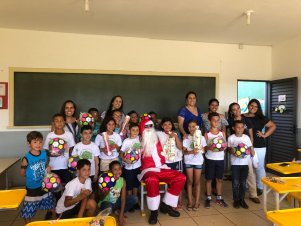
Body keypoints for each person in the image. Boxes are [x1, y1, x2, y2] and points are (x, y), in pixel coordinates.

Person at [137, 114, 186, 225]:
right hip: (148, 170)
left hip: (162, 168)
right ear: (142, 129)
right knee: (152, 181)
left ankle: (166, 205)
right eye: (146, 126)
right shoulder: (139, 140)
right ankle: (154, 212)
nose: (149, 128)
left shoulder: (157, 135)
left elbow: (167, 132)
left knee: (181, 177)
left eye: (151, 126)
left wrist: (175, 136)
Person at [227, 102, 260, 204]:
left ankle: (253, 194)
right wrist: (232, 150)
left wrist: (251, 148)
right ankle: (238, 197)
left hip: (246, 151)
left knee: (250, 173)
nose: (237, 111)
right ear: (231, 112)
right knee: (237, 177)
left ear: (240, 109)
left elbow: (251, 135)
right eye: (234, 109)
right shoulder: (230, 121)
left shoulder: (246, 120)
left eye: (238, 109)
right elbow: (229, 135)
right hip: (235, 153)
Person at [20, 131, 55, 224]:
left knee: (50, 205)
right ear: (29, 143)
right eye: (35, 142)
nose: (38, 144)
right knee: (28, 211)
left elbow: (46, 165)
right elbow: (22, 173)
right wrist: (31, 173)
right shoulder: (26, 158)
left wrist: (47, 168)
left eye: (40, 142)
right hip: (32, 188)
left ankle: (52, 222)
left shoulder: (44, 154)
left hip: (44, 185)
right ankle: (28, 224)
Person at [244, 99, 276, 195]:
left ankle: (260, 187)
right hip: (244, 145)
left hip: (259, 145)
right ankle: (246, 185)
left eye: (256, 106)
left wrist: (265, 135)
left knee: (258, 166)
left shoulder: (261, 117)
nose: (253, 108)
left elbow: (273, 126)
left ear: (258, 108)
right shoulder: (242, 116)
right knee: (246, 167)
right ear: (248, 105)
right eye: (251, 105)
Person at [99, 161, 138, 226]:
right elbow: (100, 198)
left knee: (134, 198)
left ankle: (118, 212)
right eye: (115, 169)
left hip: (116, 203)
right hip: (106, 203)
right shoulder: (104, 178)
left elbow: (123, 198)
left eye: (119, 169)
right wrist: (108, 189)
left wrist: (121, 214)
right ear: (110, 171)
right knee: (108, 207)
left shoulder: (122, 180)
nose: (118, 171)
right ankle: (114, 214)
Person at [156, 117, 183, 208]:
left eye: (169, 124)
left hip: (176, 161)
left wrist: (175, 137)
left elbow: (180, 147)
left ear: (172, 125)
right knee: (167, 182)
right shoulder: (159, 134)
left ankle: (178, 201)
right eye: (165, 124)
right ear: (162, 126)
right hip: (165, 162)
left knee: (178, 181)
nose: (167, 126)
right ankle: (167, 202)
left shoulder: (175, 134)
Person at [228, 120, 255, 209]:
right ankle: (236, 200)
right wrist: (232, 151)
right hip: (235, 164)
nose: (240, 129)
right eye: (238, 127)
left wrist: (251, 150)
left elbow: (250, 147)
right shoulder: (231, 138)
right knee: (235, 182)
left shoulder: (246, 137)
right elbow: (228, 149)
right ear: (233, 128)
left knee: (243, 182)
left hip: (245, 163)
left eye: (242, 127)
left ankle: (242, 200)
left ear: (244, 128)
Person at [43, 114, 75, 186]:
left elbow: (72, 149)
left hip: (65, 166)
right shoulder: (50, 135)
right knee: (55, 187)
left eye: (61, 121)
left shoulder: (69, 135)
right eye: (57, 121)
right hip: (53, 166)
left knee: (66, 186)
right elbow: (46, 151)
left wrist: (71, 164)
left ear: (64, 122)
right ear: (53, 123)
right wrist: (52, 154)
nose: (59, 123)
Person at [204, 112, 228, 208]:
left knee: (219, 179)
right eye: (214, 120)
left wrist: (222, 147)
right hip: (210, 159)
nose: (216, 122)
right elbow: (204, 147)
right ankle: (208, 198)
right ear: (209, 121)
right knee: (209, 179)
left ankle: (219, 197)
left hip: (220, 159)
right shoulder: (207, 134)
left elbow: (225, 145)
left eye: (218, 120)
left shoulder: (222, 133)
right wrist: (210, 147)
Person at [183, 120, 207, 211]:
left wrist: (199, 148)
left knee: (197, 182)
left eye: (193, 126)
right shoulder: (186, 138)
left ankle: (196, 202)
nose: (191, 128)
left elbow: (204, 150)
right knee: (189, 181)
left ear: (196, 127)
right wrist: (191, 151)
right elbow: (183, 151)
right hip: (188, 161)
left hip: (198, 162)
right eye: (189, 127)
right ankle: (190, 201)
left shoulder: (202, 138)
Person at [72, 125, 100, 193]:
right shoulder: (77, 146)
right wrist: (75, 172)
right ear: (81, 134)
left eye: (90, 133)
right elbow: (73, 161)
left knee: (91, 191)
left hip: (92, 173)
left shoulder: (94, 146)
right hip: (80, 174)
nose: (88, 135)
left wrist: (96, 174)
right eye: (85, 133)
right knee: (80, 191)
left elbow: (96, 162)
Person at [119, 123, 141, 209]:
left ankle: (135, 201)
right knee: (129, 185)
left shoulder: (140, 139)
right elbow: (121, 153)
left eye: (137, 130)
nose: (135, 132)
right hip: (128, 167)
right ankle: (130, 202)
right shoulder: (126, 141)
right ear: (129, 131)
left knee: (135, 184)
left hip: (137, 166)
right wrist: (124, 159)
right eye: (133, 130)